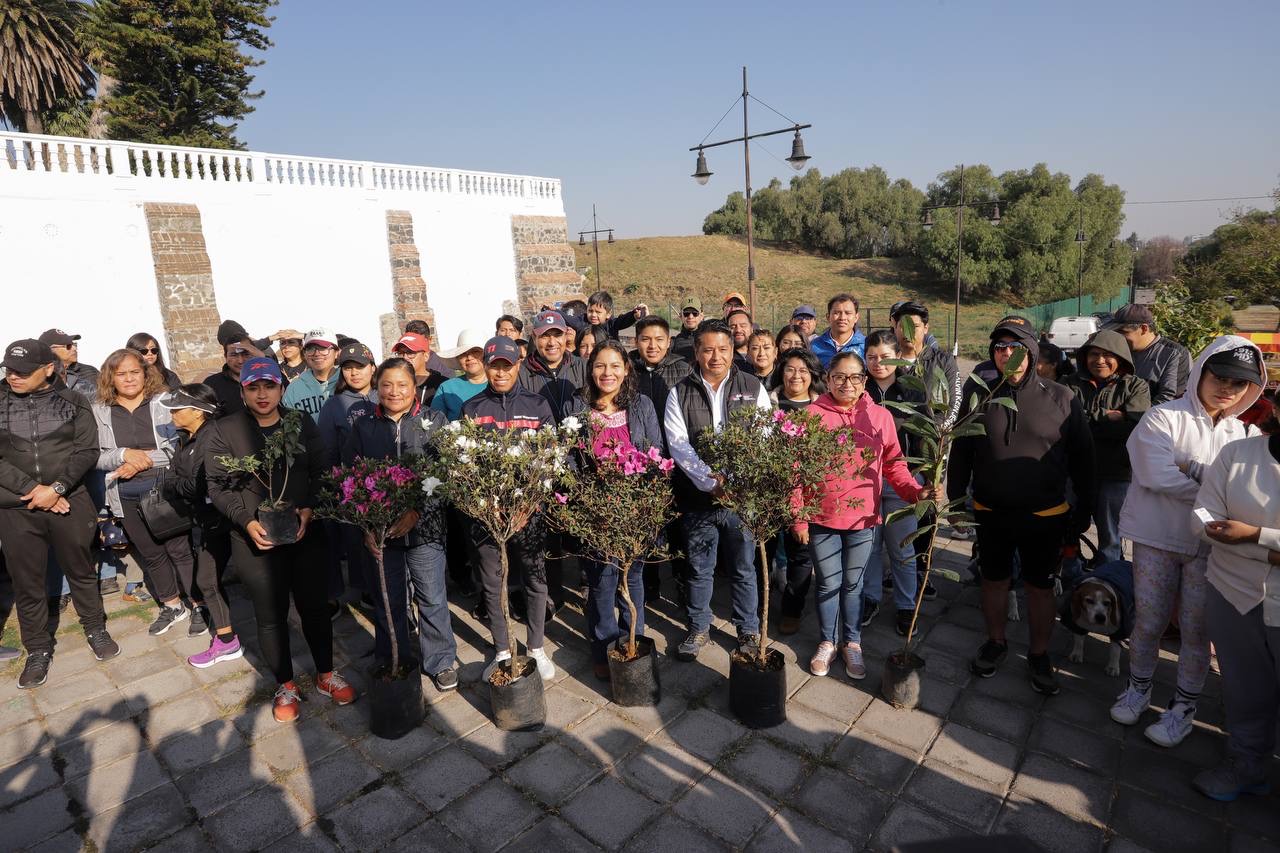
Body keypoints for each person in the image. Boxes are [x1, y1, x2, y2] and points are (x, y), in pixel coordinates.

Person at [1112, 335, 1265, 746]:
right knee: (1149, 621)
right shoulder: (1162, 417)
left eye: (1239, 384)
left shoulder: (1246, 435)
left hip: (1211, 549)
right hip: (1157, 538)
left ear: (1251, 389)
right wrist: (1218, 489)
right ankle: (1139, 689)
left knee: (1198, 633)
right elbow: (1153, 473)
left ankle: (1183, 708)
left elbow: (1247, 491)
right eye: (1220, 376)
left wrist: (1191, 470)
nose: (1227, 390)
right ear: (1201, 370)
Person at [947, 316, 1095, 696]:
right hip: (991, 512)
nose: (1006, 354)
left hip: (1044, 517)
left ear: (1030, 352)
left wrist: (1083, 512)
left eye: (1015, 347)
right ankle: (996, 642)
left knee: (1039, 587)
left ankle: (1039, 654)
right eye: (999, 347)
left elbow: (1083, 460)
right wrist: (957, 499)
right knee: (994, 582)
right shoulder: (980, 395)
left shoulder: (1061, 397)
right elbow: (962, 450)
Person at [205, 356, 355, 723]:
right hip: (254, 539)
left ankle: (324, 674)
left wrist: (309, 508)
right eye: (253, 387)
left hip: (303, 531)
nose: (262, 394)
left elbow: (321, 469)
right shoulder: (225, 430)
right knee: (269, 616)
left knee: (314, 607)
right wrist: (245, 520)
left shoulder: (298, 422)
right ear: (242, 390)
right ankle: (285, 683)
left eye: (269, 386)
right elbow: (217, 486)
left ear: (281, 388)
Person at [799, 350, 933, 679]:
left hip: (862, 520)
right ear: (828, 379)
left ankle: (852, 643)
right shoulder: (812, 415)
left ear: (864, 382)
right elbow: (796, 470)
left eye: (855, 377)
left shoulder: (880, 418)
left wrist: (915, 493)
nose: (847, 383)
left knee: (853, 585)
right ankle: (828, 642)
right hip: (822, 517)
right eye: (839, 377)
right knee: (828, 584)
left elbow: (894, 465)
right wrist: (799, 516)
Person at [0, 339, 119, 688]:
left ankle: (96, 629)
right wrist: (34, 490)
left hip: (69, 500)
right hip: (15, 507)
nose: (14, 376)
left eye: (23, 371)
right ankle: (37, 649)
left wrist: (57, 489)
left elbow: (86, 450)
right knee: (27, 583)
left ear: (48, 369)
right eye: (9, 369)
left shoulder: (73, 400)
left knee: (81, 569)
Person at [344, 358, 458, 691]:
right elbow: (351, 479)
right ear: (376, 388)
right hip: (382, 533)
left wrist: (417, 512)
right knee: (388, 597)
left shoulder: (433, 421)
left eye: (402, 384)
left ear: (414, 387)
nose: (394, 392)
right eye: (387, 385)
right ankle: (394, 657)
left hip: (426, 532)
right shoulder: (364, 427)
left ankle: (440, 660)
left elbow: (445, 474)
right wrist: (366, 525)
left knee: (432, 597)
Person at [664, 319, 771, 661]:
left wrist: (734, 482)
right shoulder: (679, 392)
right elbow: (679, 446)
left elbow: (764, 438)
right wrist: (711, 483)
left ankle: (748, 629)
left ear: (732, 350)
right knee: (699, 567)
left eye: (723, 349)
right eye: (707, 349)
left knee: (743, 567)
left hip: (741, 498)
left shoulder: (752, 387)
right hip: (698, 498)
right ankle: (698, 627)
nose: (715, 356)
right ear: (696, 352)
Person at [1190, 395, 1280, 801]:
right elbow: (1203, 519)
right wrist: (1272, 554)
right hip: (1232, 592)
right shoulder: (1238, 454)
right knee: (1244, 688)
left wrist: (1253, 535)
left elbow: (1233, 531)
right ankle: (1246, 763)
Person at [463, 337, 558, 682]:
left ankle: (535, 648)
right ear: (485, 366)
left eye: (507, 365)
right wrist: (489, 508)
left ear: (518, 365)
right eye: (494, 365)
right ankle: (502, 650)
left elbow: (549, 460)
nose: (500, 372)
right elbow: (466, 465)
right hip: (488, 515)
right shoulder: (472, 408)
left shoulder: (537, 404)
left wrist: (528, 505)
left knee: (535, 579)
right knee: (492, 584)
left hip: (529, 511)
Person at [573, 342, 665, 680]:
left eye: (614, 366)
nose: (607, 373)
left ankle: (633, 639)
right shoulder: (579, 409)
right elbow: (571, 461)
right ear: (591, 370)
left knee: (634, 577)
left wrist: (646, 501)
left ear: (626, 369)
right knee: (602, 581)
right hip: (596, 511)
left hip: (635, 509)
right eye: (600, 366)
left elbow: (655, 453)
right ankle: (604, 647)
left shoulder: (641, 406)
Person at [92, 348, 198, 636]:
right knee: (150, 553)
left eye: (134, 372)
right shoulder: (100, 410)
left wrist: (144, 460)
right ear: (110, 377)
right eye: (121, 374)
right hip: (123, 492)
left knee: (179, 550)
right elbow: (97, 456)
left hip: (163, 487)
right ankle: (172, 605)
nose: (129, 379)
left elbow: (179, 446)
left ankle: (199, 604)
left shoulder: (164, 403)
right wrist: (124, 455)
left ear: (145, 373)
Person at [163, 385, 241, 669]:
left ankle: (231, 639)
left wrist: (180, 486)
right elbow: (172, 480)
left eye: (177, 408)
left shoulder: (213, 438)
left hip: (223, 520)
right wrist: (181, 486)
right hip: (206, 521)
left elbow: (200, 484)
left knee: (210, 580)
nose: (171, 413)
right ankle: (227, 639)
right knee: (207, 581)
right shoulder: (186, 438)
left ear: (198, 412)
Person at [1062, 330, 1151, 567]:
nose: (1100, 360)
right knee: (1066, 528)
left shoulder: (1136, 387)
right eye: (1094, 354)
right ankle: (1069, 578)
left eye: (1107, 355)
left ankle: (1107, 583)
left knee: (1111, 536)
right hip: (1073, 472)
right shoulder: (1069, 384)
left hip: (1116, 473)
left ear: (1120, 357)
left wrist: (1086, 421)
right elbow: (1062, 423)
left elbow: (1136, 427)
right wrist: (1107, 417)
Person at [891, 300, 961, 597]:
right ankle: (896, 568)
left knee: (926, 507)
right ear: (893, 327)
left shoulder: (941, 359)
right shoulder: (887, 359)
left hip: (929, 447)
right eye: (901, 325)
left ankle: (921, 568)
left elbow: (955, 400)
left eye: (914, 326)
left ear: (926, 328)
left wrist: (939, 433)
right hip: (894, 448)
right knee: (895, 507)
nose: (908, 332)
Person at [862, 330, 923, 636]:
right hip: (865, 481)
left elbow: (924, 435)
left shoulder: (912, 388)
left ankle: (905, 605)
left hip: (904, 478)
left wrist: (924, 477)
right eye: (871, 357)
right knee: (870, 547)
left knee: (902, 547)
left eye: (885, 357)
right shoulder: (861, 390)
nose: (878, 363)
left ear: (898, 356)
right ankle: (870, 598)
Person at [768, 348, 825, 634]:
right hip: (768, 488)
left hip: (807, 492)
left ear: (813, 375)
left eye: (803, 370)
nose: (796, 376)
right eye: (790, 369)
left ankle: (792, 608)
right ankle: (761, 604)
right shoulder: (766, 403)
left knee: (799, 553)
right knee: (763, 549)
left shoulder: (823, 408)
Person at [1109, 304, 1192, 404]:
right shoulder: (1117, 350)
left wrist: (1131, 415)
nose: (1117, 337)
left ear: (1144, 329)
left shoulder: (1175, 353)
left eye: (1123, 332)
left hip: (1153, 418)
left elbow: (1171, 398)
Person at [519, 310, 587, 422]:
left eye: (558, 335)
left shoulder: (583, 367)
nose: (552, 342)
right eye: (545, 336)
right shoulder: (520, 373)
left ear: (566, 335)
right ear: (534, 337)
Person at [431, 329, 489, 421]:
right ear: (458, 359)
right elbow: (435, 423)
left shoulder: (499, 384)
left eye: (475, 352)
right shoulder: (447, 388)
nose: (469, 358)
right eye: (463, 354)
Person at [283, 328, 340, 416]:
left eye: (323, 348)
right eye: (310, 349)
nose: (316, 353)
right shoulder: (294, 389)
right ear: (305, 354)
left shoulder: (348, 381)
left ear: (336, 353)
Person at [205, 336, 260, 416]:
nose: (240, 361)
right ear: (225, 356)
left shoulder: (266, 378)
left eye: (246, 354)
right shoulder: (212, 384)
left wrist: (262, 359)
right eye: (234, 355)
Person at [810, 294, 866, 369]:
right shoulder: (813, 346)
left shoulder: (867, 345)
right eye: (837, 313)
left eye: (848, 313)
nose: (842, 318)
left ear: (856, 317)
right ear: (828, 317)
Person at [672, 296, 704, 360]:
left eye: (695, 313)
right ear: (681, 316)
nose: (690, 316)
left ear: (701, 316)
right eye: (686, 313)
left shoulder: (709, 340)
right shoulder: (673, 344)